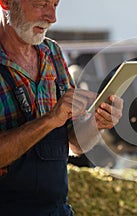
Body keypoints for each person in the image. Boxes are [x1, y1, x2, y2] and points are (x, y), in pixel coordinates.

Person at [0, 0, 123, 215]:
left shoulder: (52, 53)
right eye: (41, 4)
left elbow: (75, 144)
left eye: (55, 5)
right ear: (6, 3)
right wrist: (49, 120)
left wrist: (96, 122)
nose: (52, 17)